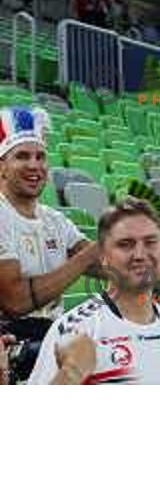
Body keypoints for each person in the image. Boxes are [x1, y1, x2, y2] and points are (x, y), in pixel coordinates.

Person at [28, 199, 160, 385]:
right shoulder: (74, 330)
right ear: (103, 258)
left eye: (151, 242)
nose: (140, 254)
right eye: (125, 244)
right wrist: (70, 375)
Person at [0, 107, 99, 372]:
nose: (34, 165)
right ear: (2, 167)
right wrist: (88, 256)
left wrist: (140, 238)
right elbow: (15, 301)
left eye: (40, 157)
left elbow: (106, 263)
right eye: (22, 156)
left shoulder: (54, 219)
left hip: (50, 337)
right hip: (10, 344)